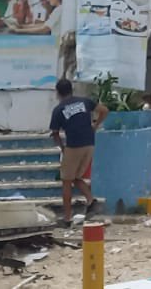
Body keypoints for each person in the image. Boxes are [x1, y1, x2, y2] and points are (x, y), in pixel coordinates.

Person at [49, 78, 108, 222]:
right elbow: (104, 110)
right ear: (71, 89)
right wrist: (95, 125)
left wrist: (62, 148)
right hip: (90, 144)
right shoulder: (84, 101)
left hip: (74, 146)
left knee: (66, 181)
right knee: (75, 177)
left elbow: (55, 133)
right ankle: (91, 201)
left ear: (58, 93)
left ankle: (67, 219)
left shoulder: (59, 110)